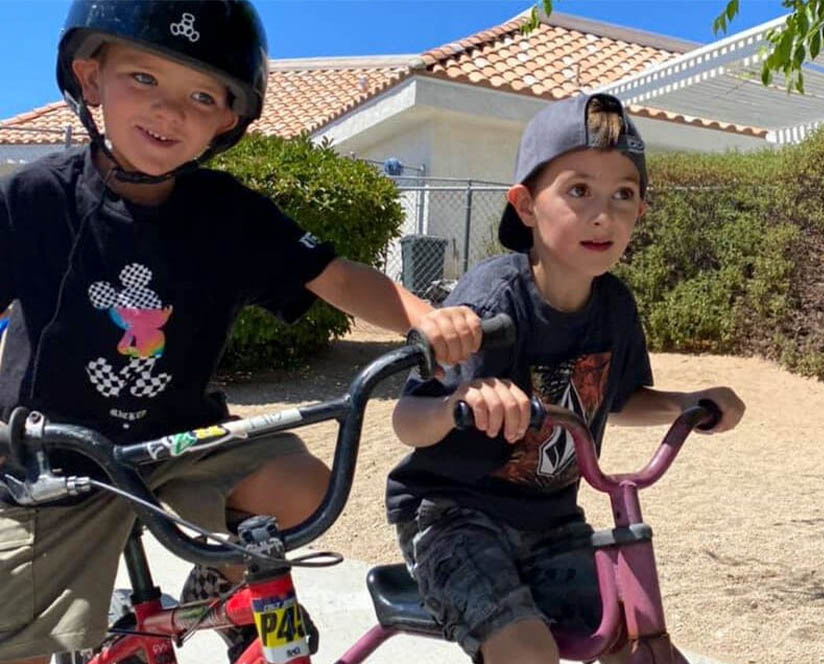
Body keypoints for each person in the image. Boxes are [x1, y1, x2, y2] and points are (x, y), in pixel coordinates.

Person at [0, 2, 482, 663]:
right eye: (143, 78)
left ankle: (216, 585)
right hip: (57, 462)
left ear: (227, 119)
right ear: (90, 81)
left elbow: (336, 276)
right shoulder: (35, 200)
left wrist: (425, 317)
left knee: (302, 484)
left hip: (180, 442)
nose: (170, 112)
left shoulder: (229, 216)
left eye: (201, 95)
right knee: (19, 641)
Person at [386, 93, 747, 664]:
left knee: (638, 639)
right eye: (578, 190)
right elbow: (407, 419)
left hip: (553, 523)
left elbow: (620, 400)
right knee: (527, 653)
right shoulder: (491, 299)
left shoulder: (614, 307)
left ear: (641, 213)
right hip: (454, 516)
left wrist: (689, 403)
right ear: (526, 205)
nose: (603, 213)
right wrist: (460, 398)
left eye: (622, 195)